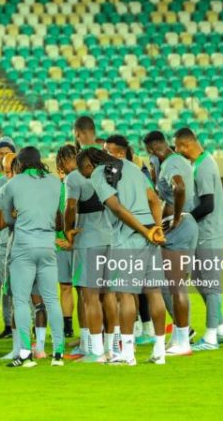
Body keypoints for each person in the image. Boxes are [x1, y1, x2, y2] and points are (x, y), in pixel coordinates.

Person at [78, 144, 167, 365]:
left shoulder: (98, 173)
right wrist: (156, 229)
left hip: (129, 236)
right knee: (154, 292)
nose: (87, 178)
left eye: (84, 173)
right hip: (150, 232)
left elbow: (116, 207)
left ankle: (127, 354)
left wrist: (144, 231)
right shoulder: (131, 166)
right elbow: (154, 200)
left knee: (125, 295)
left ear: (88, 165)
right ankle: (160, 351)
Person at [0, 146, 65, 367]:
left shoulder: (12, 184)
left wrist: (21, 216)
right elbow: (60, 221)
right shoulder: (56, 182)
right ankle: (58, 354)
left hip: (24, 246)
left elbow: (6, 221)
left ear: (19, 163)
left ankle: (25, 353)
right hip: (48, 246)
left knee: (21, 301)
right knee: (51, 300)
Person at [174, 127, 223, 350]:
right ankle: (222, 328)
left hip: (210, 232)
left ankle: (210, 338)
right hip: (206, 231)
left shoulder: (204, 167)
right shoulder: (200, 163)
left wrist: (183, 219)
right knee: (200, 278)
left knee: (210, 281)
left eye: (178, 147)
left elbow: (208, 205)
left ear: (185, 145)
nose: (177, 151)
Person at [63, 117, 115, 362]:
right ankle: (113, 346)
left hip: (88, 238)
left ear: (78, 133)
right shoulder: (112, 168)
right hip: (110, 237)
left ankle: (93, 349)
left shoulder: (75, 176)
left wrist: (67, 230)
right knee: (109, 294)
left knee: (89, 295)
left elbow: (70, 207)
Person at [144, 130, 197, 356]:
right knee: (170, 285)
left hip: (180, 227)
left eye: (149, 154)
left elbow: (180, 187)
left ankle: (184, 342)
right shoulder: (178, 161)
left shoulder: (170, 164)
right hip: (185, 226)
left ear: (152, 150)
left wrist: (175, 218)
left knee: (176, 285)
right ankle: (178, 337)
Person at [0, 139, 16, 339]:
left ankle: (24, 324)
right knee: (3, 285)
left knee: (18, 286)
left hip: (18, 241)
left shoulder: (21, 182)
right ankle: (6, 324)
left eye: (7, 152)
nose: (3, 156)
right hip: (0, 240)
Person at [54, 145, 78, 339]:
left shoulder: (81, 183)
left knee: (85, 289)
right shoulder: (56, 188)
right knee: (65, 286)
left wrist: (73, 241)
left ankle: (91, 332)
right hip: (61, 244)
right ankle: (67, 326)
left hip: (79, 243)